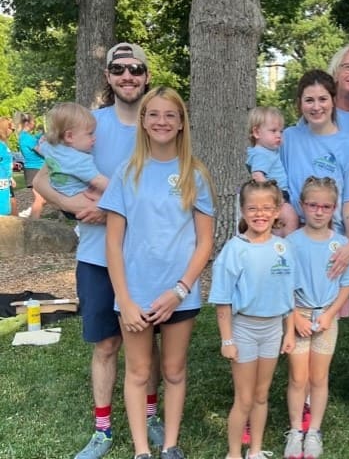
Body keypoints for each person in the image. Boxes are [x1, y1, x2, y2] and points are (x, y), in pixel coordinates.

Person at [34, 42, 165, 459]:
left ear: (146, 75)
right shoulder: (89, 124)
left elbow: (166, 191)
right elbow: (41, 181)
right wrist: (76, 207)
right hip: (96, 257)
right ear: (108, 76)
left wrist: (111, 211)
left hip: (147, 257)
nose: (128, 75)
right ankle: (103, 429)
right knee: (107, 345)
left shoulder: (161, 123)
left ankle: (150, 417)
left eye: (136, 68)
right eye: (119, 68)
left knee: (148, 344)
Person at [101, 86, 215, 459]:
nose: (162, 121)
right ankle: (141, 451)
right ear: (144, 122)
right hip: (134, 294)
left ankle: (169, 445)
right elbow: (113, 244)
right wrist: (125, 300)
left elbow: (204, 243)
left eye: (170, 115)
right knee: (137, 372)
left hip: (178, 294)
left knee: (174, 371)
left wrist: (179, 290)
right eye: (154, 114)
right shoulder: (126, 172)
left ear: (181, 123)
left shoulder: (194, 174)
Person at [209, 179, 296, 459]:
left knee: (261, 395)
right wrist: (227, 339)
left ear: (277, 210)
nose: (260, 214)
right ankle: (234, 454)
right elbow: (222, 299)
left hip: (272, 330)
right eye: (252, 208)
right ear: (243, 211)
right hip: (244, 328)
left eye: (266, 208)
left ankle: (255, 450)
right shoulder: (235, 250)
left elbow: (289, 296)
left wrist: (290, 332)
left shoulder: (284, 248)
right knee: (244, 398)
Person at [284, 176, 349, 459]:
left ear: (334, 208)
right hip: (299, 317)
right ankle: (295, 431)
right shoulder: (290, 243)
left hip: (327, 320)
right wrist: (294, 317)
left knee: (319, 377)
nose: (318, 211)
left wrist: (329, 314)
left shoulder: (341, 244)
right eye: (313, 205)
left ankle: (313, 431)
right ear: (302, 206)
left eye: (326, 207)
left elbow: (348, 283)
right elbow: (281, 286)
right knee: (298, 377)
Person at [280, 69, 349, 272]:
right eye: (309, 100)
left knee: (335, 302)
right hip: (292, 239)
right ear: (300, 103)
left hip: (331, 241)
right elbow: (274, 183)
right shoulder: (288, 138)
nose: (316, 106)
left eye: (323, 99)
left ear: (333, 100)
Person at [41, 102, 109, 219]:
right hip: (80, 196)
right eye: (90, 134)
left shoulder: (49, 147)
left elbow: (41, 147)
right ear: (69, 136)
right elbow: (98, 181)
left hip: (59, 193)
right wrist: (119, 190)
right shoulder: (78, 160)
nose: (94, 138)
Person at [246, 106, 298, 235]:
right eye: (273, 131)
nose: (279, 135)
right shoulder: (261, 154)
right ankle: (288, 247)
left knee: (278, 225)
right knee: (291, 218)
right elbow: (257, 176)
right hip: (275, 195)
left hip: (277, 194)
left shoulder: (268, 151)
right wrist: (274, 195)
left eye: (280, 131)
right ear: (257, 133)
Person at [16, 112, 46, 218]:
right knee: (40, 199)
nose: (35, 123)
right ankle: (32, 221)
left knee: (42, 199)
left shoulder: (26, 136)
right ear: (28, 123)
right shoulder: (26, 138)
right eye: (33, 121)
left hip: (37, 169)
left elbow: (35, 140)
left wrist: (40, 136)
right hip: (34, 170)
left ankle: (30, 218)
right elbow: (41, 151)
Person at [0, 116, 14, 216]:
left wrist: (10, 178)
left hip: (5, 180)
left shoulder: (3, 145)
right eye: (11, 129)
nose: (12, 131)